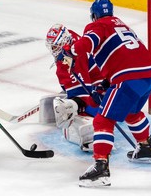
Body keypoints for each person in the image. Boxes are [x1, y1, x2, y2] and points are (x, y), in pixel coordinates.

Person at [62, 0, 151, 187]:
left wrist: (69, 49)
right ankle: (146, 148)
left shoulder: (97, 26)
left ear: (94, 15)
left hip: (128, 78)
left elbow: (87, 43)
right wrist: (105, 83)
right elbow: (122, 55)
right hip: (149, 75)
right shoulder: (122, 26)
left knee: (102, 120)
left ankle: (101, 169)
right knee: (131, 111)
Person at [41, 23, 108, 151]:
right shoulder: (70, 38)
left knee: (88, 107)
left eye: (56, 46)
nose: (54, 50)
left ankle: (91, 130)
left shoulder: (76, 58)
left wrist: (74, 103)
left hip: (101, 85)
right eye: (53, 47)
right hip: (102, 77)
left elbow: (85, 94)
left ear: (65, 41)